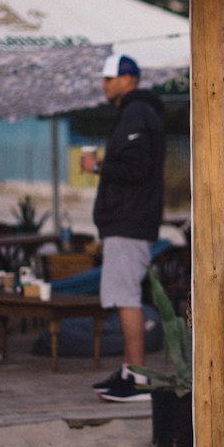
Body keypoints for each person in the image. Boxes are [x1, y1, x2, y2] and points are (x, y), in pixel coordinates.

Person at [82, 54, 166, 402]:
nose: (104, 84)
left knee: (126, 298)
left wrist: (98, 165)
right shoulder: (134, 113)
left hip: (129, 221)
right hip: (127, 220)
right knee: (123, 296)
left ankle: (139, 378)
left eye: (109, 78)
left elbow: (136, 168)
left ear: (128, 79)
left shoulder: (137, 114)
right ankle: (132, 370)